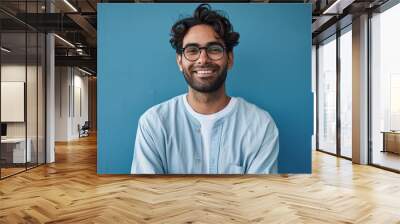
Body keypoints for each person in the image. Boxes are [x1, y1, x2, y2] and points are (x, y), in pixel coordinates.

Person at [131, 3, 279, 174]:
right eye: (192, 50)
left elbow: (258, 196)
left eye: (214, 49)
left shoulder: (260, 125)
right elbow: (147, 196)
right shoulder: (154, 123)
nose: (203, 59)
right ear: (180, 61)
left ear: (230, 59)